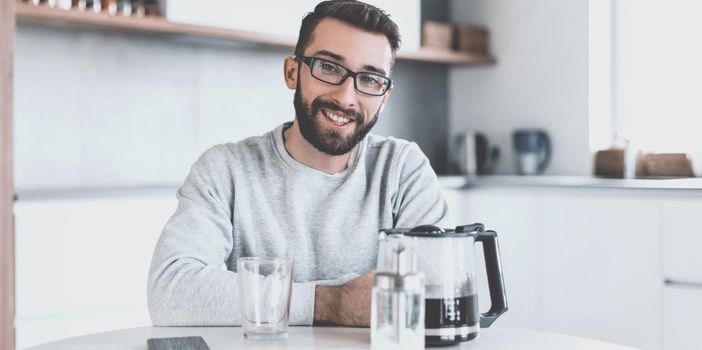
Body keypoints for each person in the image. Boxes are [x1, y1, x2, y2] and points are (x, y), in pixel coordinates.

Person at [147, 0, 448, 328]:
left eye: (371, 79)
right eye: (328, 67)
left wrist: (274, 300)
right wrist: (333, 302)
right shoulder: (225, 170)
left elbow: (437, 292)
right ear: (293, 72)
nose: (346, 97)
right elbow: (171, 291)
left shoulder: (403, 169)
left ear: (385, 97)